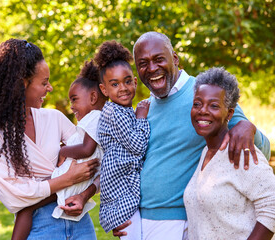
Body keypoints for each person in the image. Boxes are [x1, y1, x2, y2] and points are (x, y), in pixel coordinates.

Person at [112, 31, 271, 239]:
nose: (152, 68)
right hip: (142, 220)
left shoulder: (204, 94)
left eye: (159, 59)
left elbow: (263, 150)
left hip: (178, 221)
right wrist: (123, 212)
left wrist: (248, 127)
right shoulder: (144, 108)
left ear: (175, 58)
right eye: (143, 63)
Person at [0, 39, 99, 240]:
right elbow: (15, 196)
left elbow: (93, 162)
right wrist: (67, 178)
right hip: (39, 227)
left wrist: (82, 193)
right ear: (21, 85)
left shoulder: (54, 118)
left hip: (80, 222)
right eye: (43, 82)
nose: (49, 88)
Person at [184, 67, 275, 239]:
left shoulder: (241, 152)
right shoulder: (206, 153)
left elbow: (272, 206)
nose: (202, 110)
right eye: (197, 103)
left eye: (214, 105)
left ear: (230, 113)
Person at [94, 40, 151, 240]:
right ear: (104, 89)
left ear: (135, 81)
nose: (123, 88)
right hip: (121, 189)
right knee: (132, 233)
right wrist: (142, 118)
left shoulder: (124, 110)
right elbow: (138, 146)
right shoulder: (114, 111)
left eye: (127, 81)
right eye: (115, 84)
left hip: (125, 183)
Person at [51, 59, 107, 221]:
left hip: (75, 176)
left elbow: (86, 149)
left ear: (93, 97)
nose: (71, 106)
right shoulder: (97, 119)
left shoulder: (95, 116)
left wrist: (63, 151)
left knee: (30, 205)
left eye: (74, 99)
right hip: (80, 177)